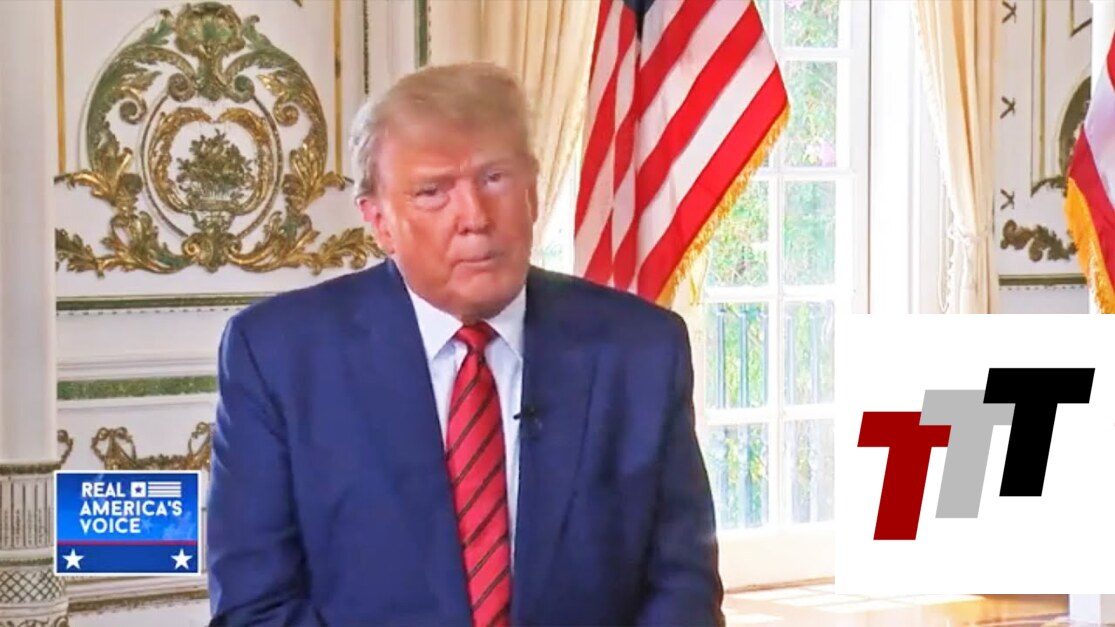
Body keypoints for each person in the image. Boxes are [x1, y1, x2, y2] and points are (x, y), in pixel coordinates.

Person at [205, 61, 724, 627]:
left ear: (533, 193)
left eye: (494, 178)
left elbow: (683, 590)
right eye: (433, 192)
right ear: (379, 221)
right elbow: (256, 607)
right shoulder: (278, 356)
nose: (475, 217)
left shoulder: (642, 351)